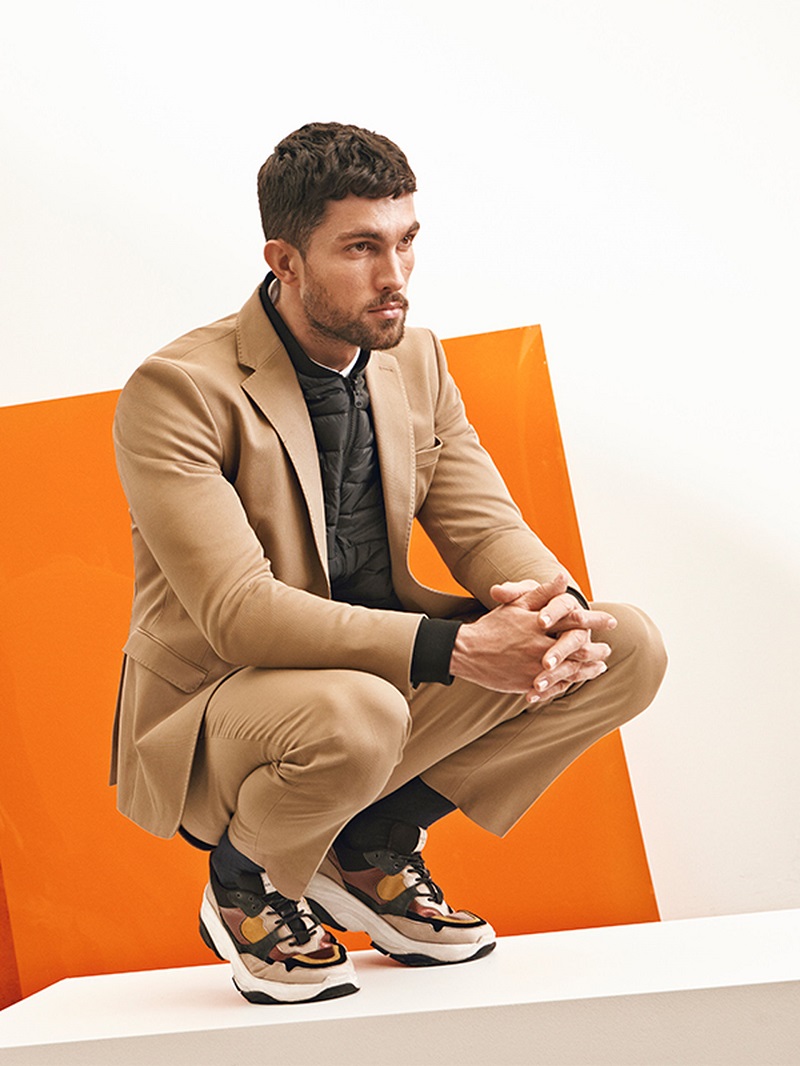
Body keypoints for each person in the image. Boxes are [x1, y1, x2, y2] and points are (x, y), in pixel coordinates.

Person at [111, 122, 666, 1006]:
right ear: (285, 261)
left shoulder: (415, 359)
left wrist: (554, 608)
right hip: (224, 708)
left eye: (406, 241)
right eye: (361, 248)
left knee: (620, 644)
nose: (395, 275)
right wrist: (459, 651)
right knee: (361, 710)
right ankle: (246, 883)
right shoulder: (178, 390)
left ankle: (370, 845)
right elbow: (240, 613)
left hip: (372, 681)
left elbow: (485, 529)